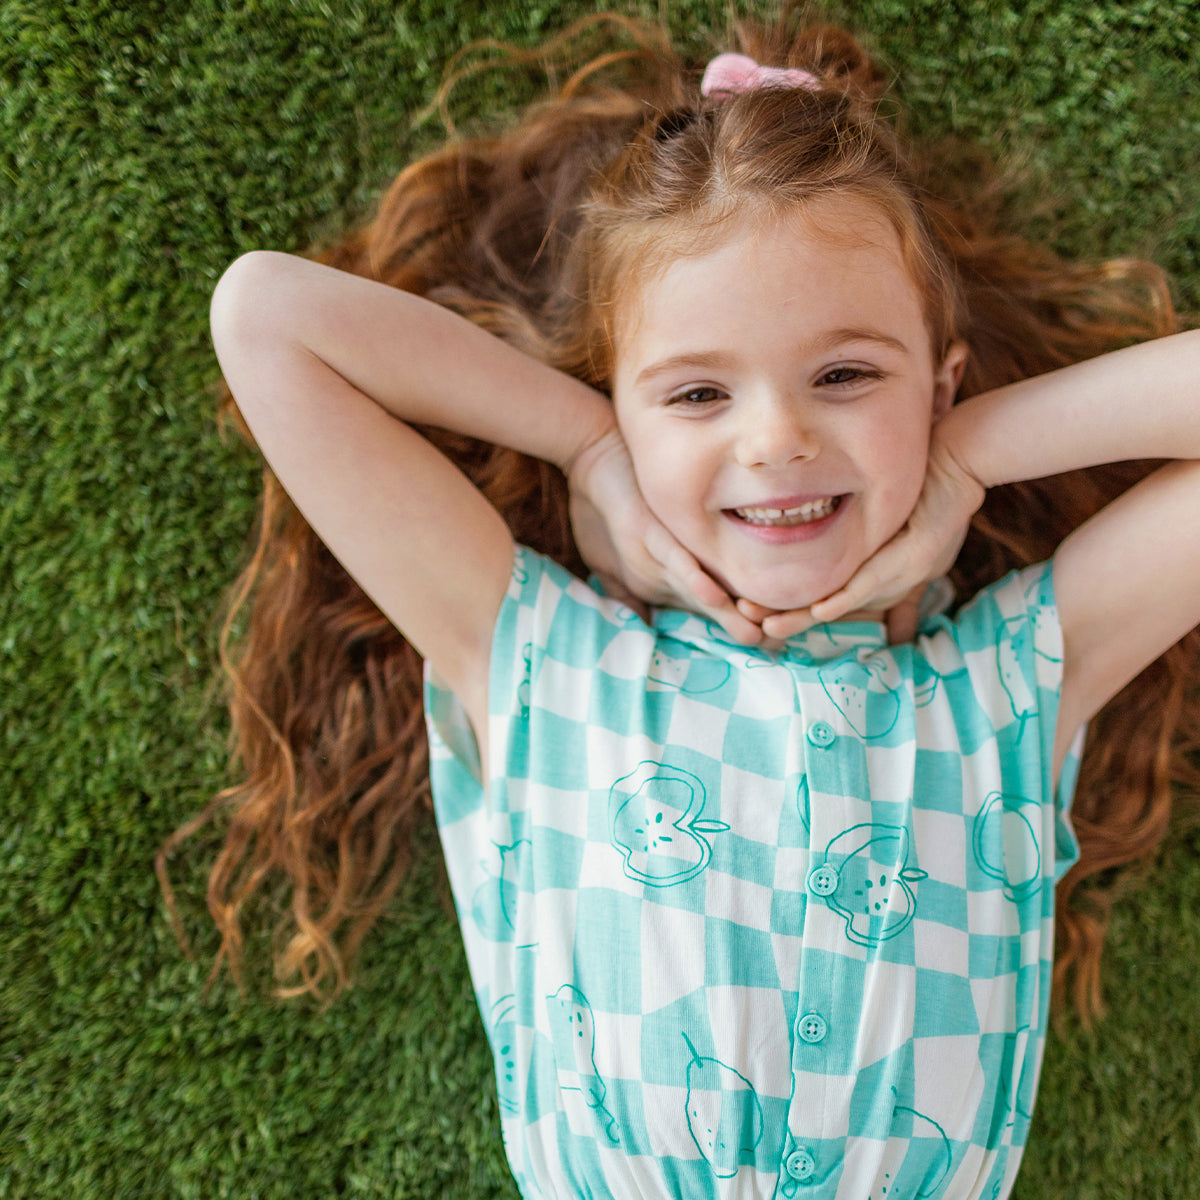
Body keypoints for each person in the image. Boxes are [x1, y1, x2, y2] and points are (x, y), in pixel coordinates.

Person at [174, 11, 1200, 1199]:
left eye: (849, 375)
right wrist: (584, 450)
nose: (777, 439)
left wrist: (964, 460)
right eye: (698, 393)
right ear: (623, 404)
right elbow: (265, 315)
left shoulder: (1003, 694)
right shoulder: (544, 664)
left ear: (943, 382)